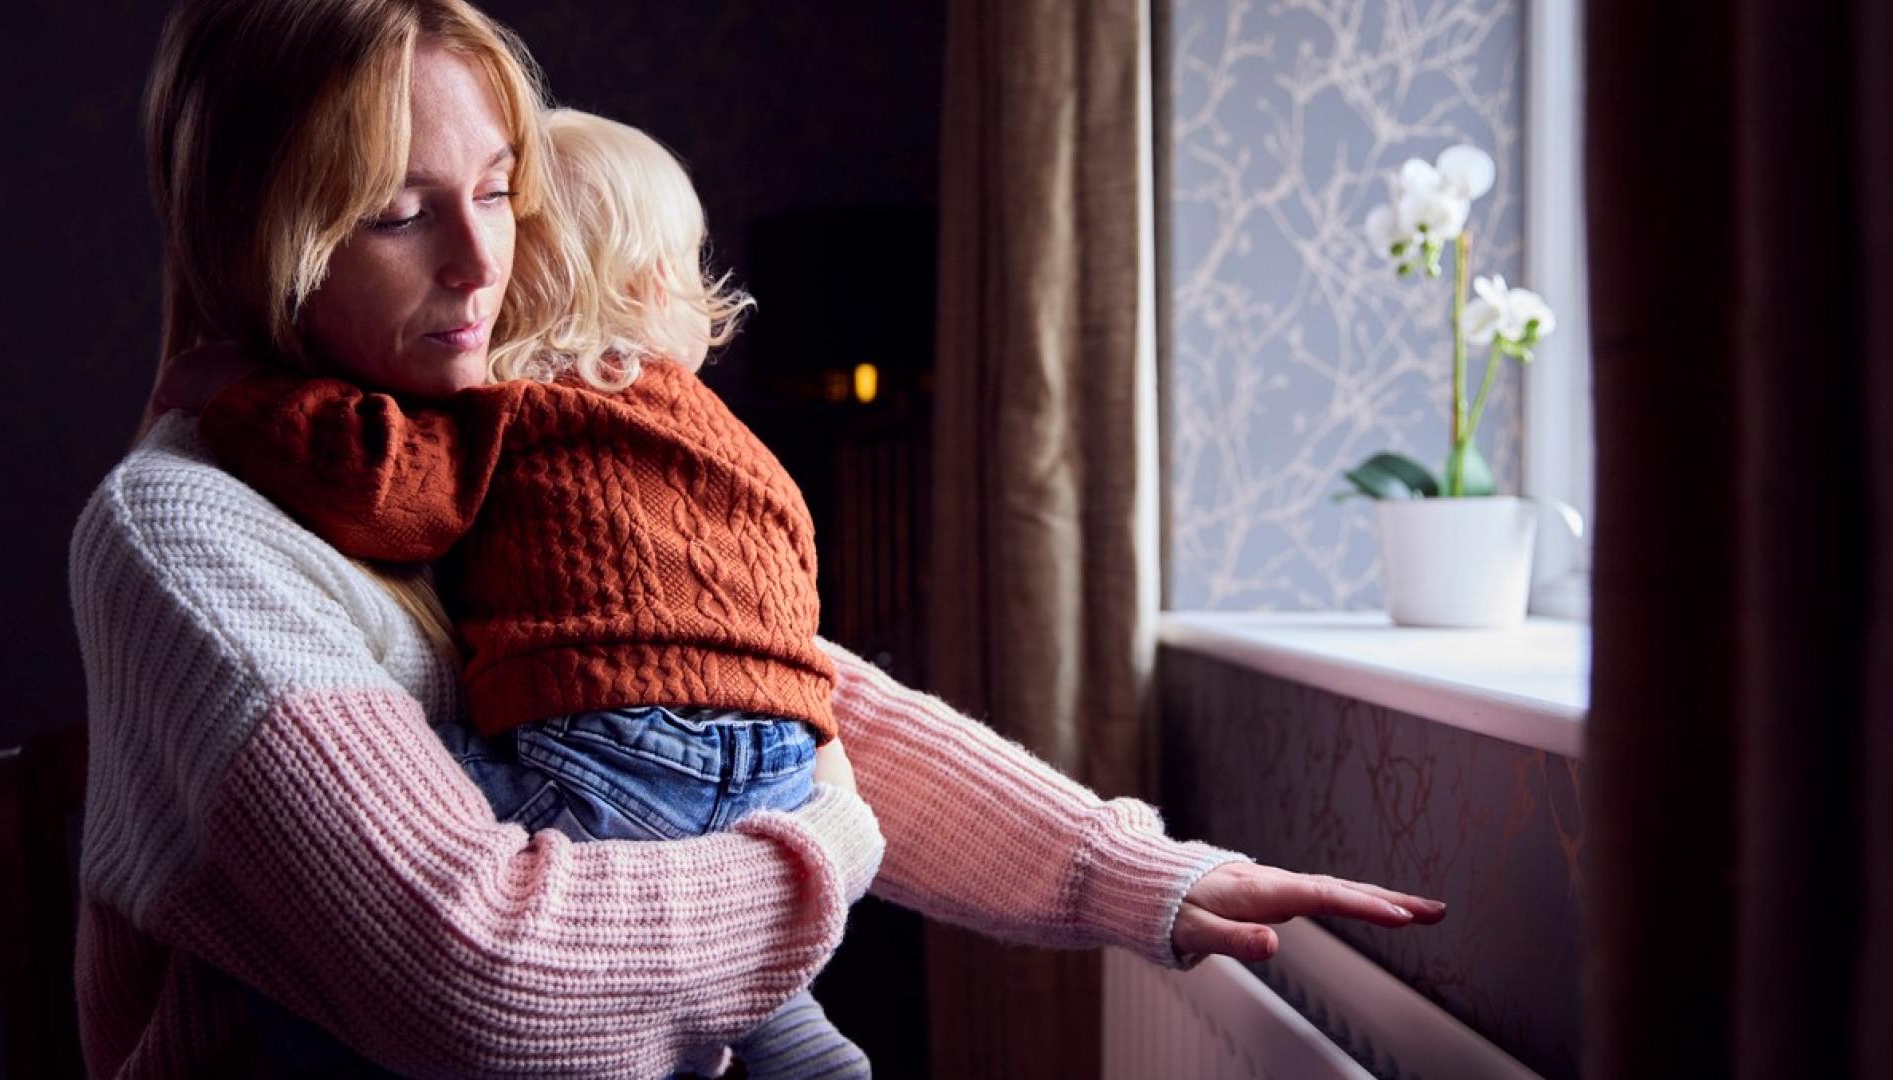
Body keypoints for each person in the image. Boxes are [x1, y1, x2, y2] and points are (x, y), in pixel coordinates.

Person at [72, 1, 1446, 1076]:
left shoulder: (459, 433)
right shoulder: (189, 529)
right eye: (396, 209)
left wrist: (1135, 872)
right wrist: (825, 843)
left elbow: (764, 687)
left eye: (497, 189)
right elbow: (485, 976)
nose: (483, 265)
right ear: (269, 240)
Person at [162, 108, 870, 1077]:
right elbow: (787, 594)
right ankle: (790, 1026)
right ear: (655, 285)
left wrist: (237, 394)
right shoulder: (732, 443)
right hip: (787, 757)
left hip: (615, 746)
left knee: (327, 897)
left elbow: (376, 482)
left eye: (493, 201)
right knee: (685, 856)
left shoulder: (519, 410)